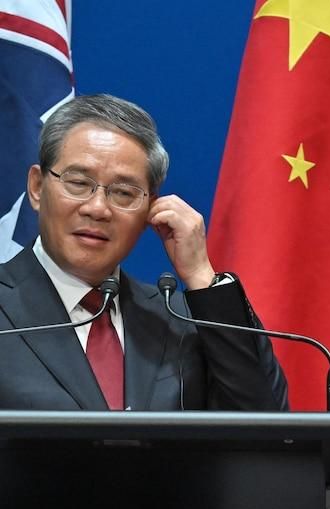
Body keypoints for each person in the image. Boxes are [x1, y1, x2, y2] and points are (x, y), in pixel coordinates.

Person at [0, 93, 287, 411]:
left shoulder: (180, 321)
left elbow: (267, 425)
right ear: (37, 187)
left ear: (151, 208)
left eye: (123, 192)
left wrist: (201, 276)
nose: (98, 208)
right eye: (78, 183)